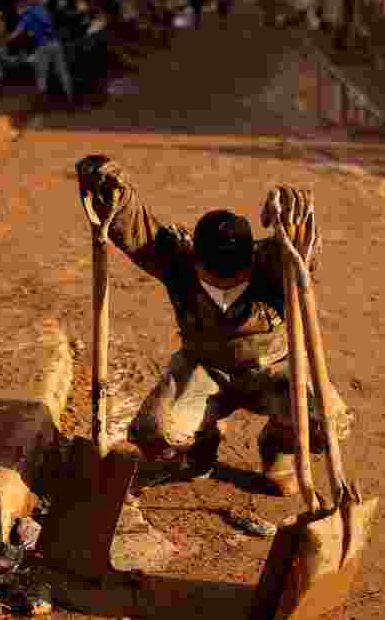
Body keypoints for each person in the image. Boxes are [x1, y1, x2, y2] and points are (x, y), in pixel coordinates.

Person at [75, 156, 353, 497]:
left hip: (275, 371)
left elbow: (307, 256)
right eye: (213, 278)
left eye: (236, 278)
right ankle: (202, 446)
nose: (224, 286)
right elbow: (139, 232)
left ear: (252, 257)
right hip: (206, 371)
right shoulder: (179, 260)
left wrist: (297, 223)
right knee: (155, 430)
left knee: (327, 422)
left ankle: (278, 447)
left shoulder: (277, 262)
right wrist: (113, 194)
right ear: (198, 260)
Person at [5, 0, 74, 104]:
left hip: (43, 46)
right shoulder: (41, 9)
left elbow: (17, 32)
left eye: (18, 9)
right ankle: (70, 96)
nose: (18, 12)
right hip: (56, 43)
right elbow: (49, 23)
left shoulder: (27, 16)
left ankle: (43, 100)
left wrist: (7, 38)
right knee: (62, 71)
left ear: (22, 7)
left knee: (41, 73)